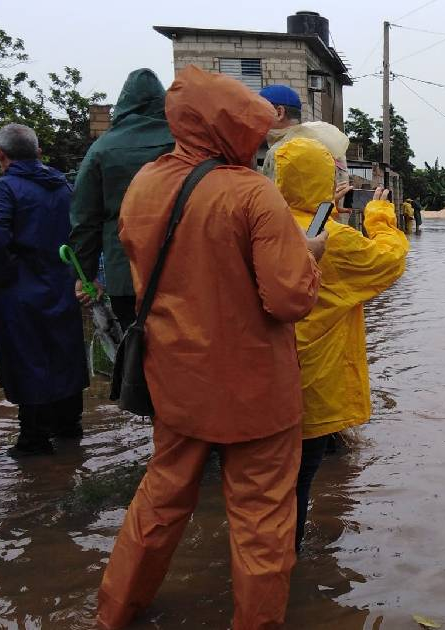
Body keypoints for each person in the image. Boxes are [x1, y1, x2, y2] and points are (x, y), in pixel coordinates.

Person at [94, 65, 326, 630]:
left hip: (175, 379)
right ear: (237, 129)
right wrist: (308, 254)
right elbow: (289, 299)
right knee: (262, 521)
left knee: (160, 498)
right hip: (256, 389)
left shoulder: (144, 184)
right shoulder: (252, 192)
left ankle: (113, 613)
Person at [268, 137, 408, 551]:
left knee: (262, 483)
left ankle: (260, 563)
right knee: (297, 482)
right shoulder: (332, 239)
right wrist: (381, 216)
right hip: (309, 381)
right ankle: (285, 568)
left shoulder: (263, 223)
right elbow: (389, 260)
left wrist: (321, 206)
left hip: (260, 374)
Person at [0, 125, 89, 456]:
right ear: (38, 153)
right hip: (61, 284)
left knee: (27, 359)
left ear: (0, 155)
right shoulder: (63, 186)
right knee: (64, 354)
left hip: (20, 293)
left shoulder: (1, 191)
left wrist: (2, 277)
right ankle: (69, 429)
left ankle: (33, 440)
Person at [68, 68, 176, 330]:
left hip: (125, 272)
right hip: (182, 268)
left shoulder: (102, 149)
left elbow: (85, 219)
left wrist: (85, 273)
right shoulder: (183, 140)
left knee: (135, 347)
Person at [257, 84, 350, 183]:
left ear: (279, 113)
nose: (255, 118)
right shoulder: (322, 141)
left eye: (259, 112)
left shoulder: (281, 152)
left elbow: (273, 195)